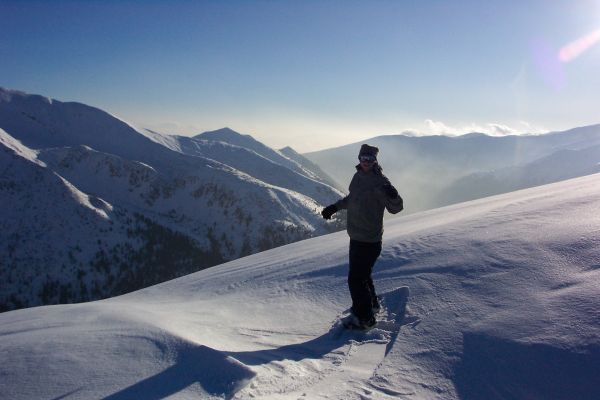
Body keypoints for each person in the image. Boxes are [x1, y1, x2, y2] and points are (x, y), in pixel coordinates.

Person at [321, 144, 403, 329]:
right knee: (363, 276)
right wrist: (334, 207)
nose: (366, 162)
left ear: (375, 161)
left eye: (370, 159)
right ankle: (371, 305)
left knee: (355, 279)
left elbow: (395, 208)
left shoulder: (381, 183)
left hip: (370, 239)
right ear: (359, 159)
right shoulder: (357, 177)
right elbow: (352, 199)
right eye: (363, 158)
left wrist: (394, 196)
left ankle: (364, 318)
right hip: (356, 236)